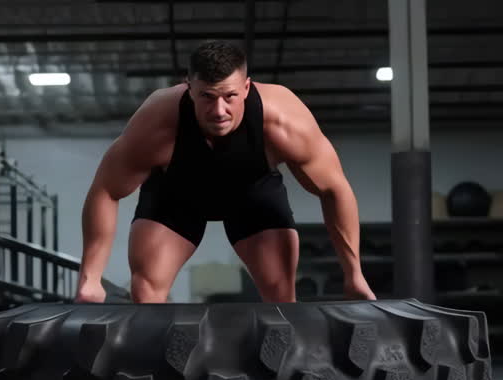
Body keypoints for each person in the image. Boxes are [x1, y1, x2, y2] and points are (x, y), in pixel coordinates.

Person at [73, 40, 375, 304]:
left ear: (246, 87)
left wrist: (354, 275)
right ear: (188, 87)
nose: (219, 110)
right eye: (207, 96)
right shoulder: (157, 123)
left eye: (229, 96)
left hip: (252, 195)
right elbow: (106, 191)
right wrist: (90, 278)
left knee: (281, 294)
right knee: (146, 291)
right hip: (176, 195)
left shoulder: (283, 121)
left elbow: (334, 189)